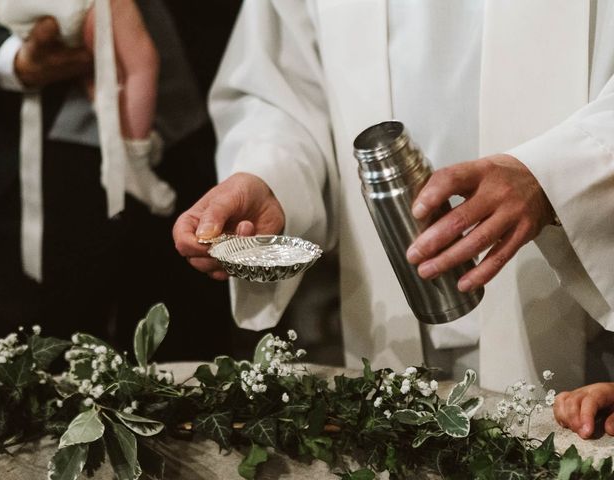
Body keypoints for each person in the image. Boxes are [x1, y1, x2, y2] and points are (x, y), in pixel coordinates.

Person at [174, 0, 614, 391]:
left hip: (579, 308)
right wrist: (269, 176)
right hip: (393, 325)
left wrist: (550, 176)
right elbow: (283, 87)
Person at [0, 0, 235, 360]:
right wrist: (7, 59)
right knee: (44, 361)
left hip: (191, 135)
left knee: (189, 350)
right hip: (24, 162)